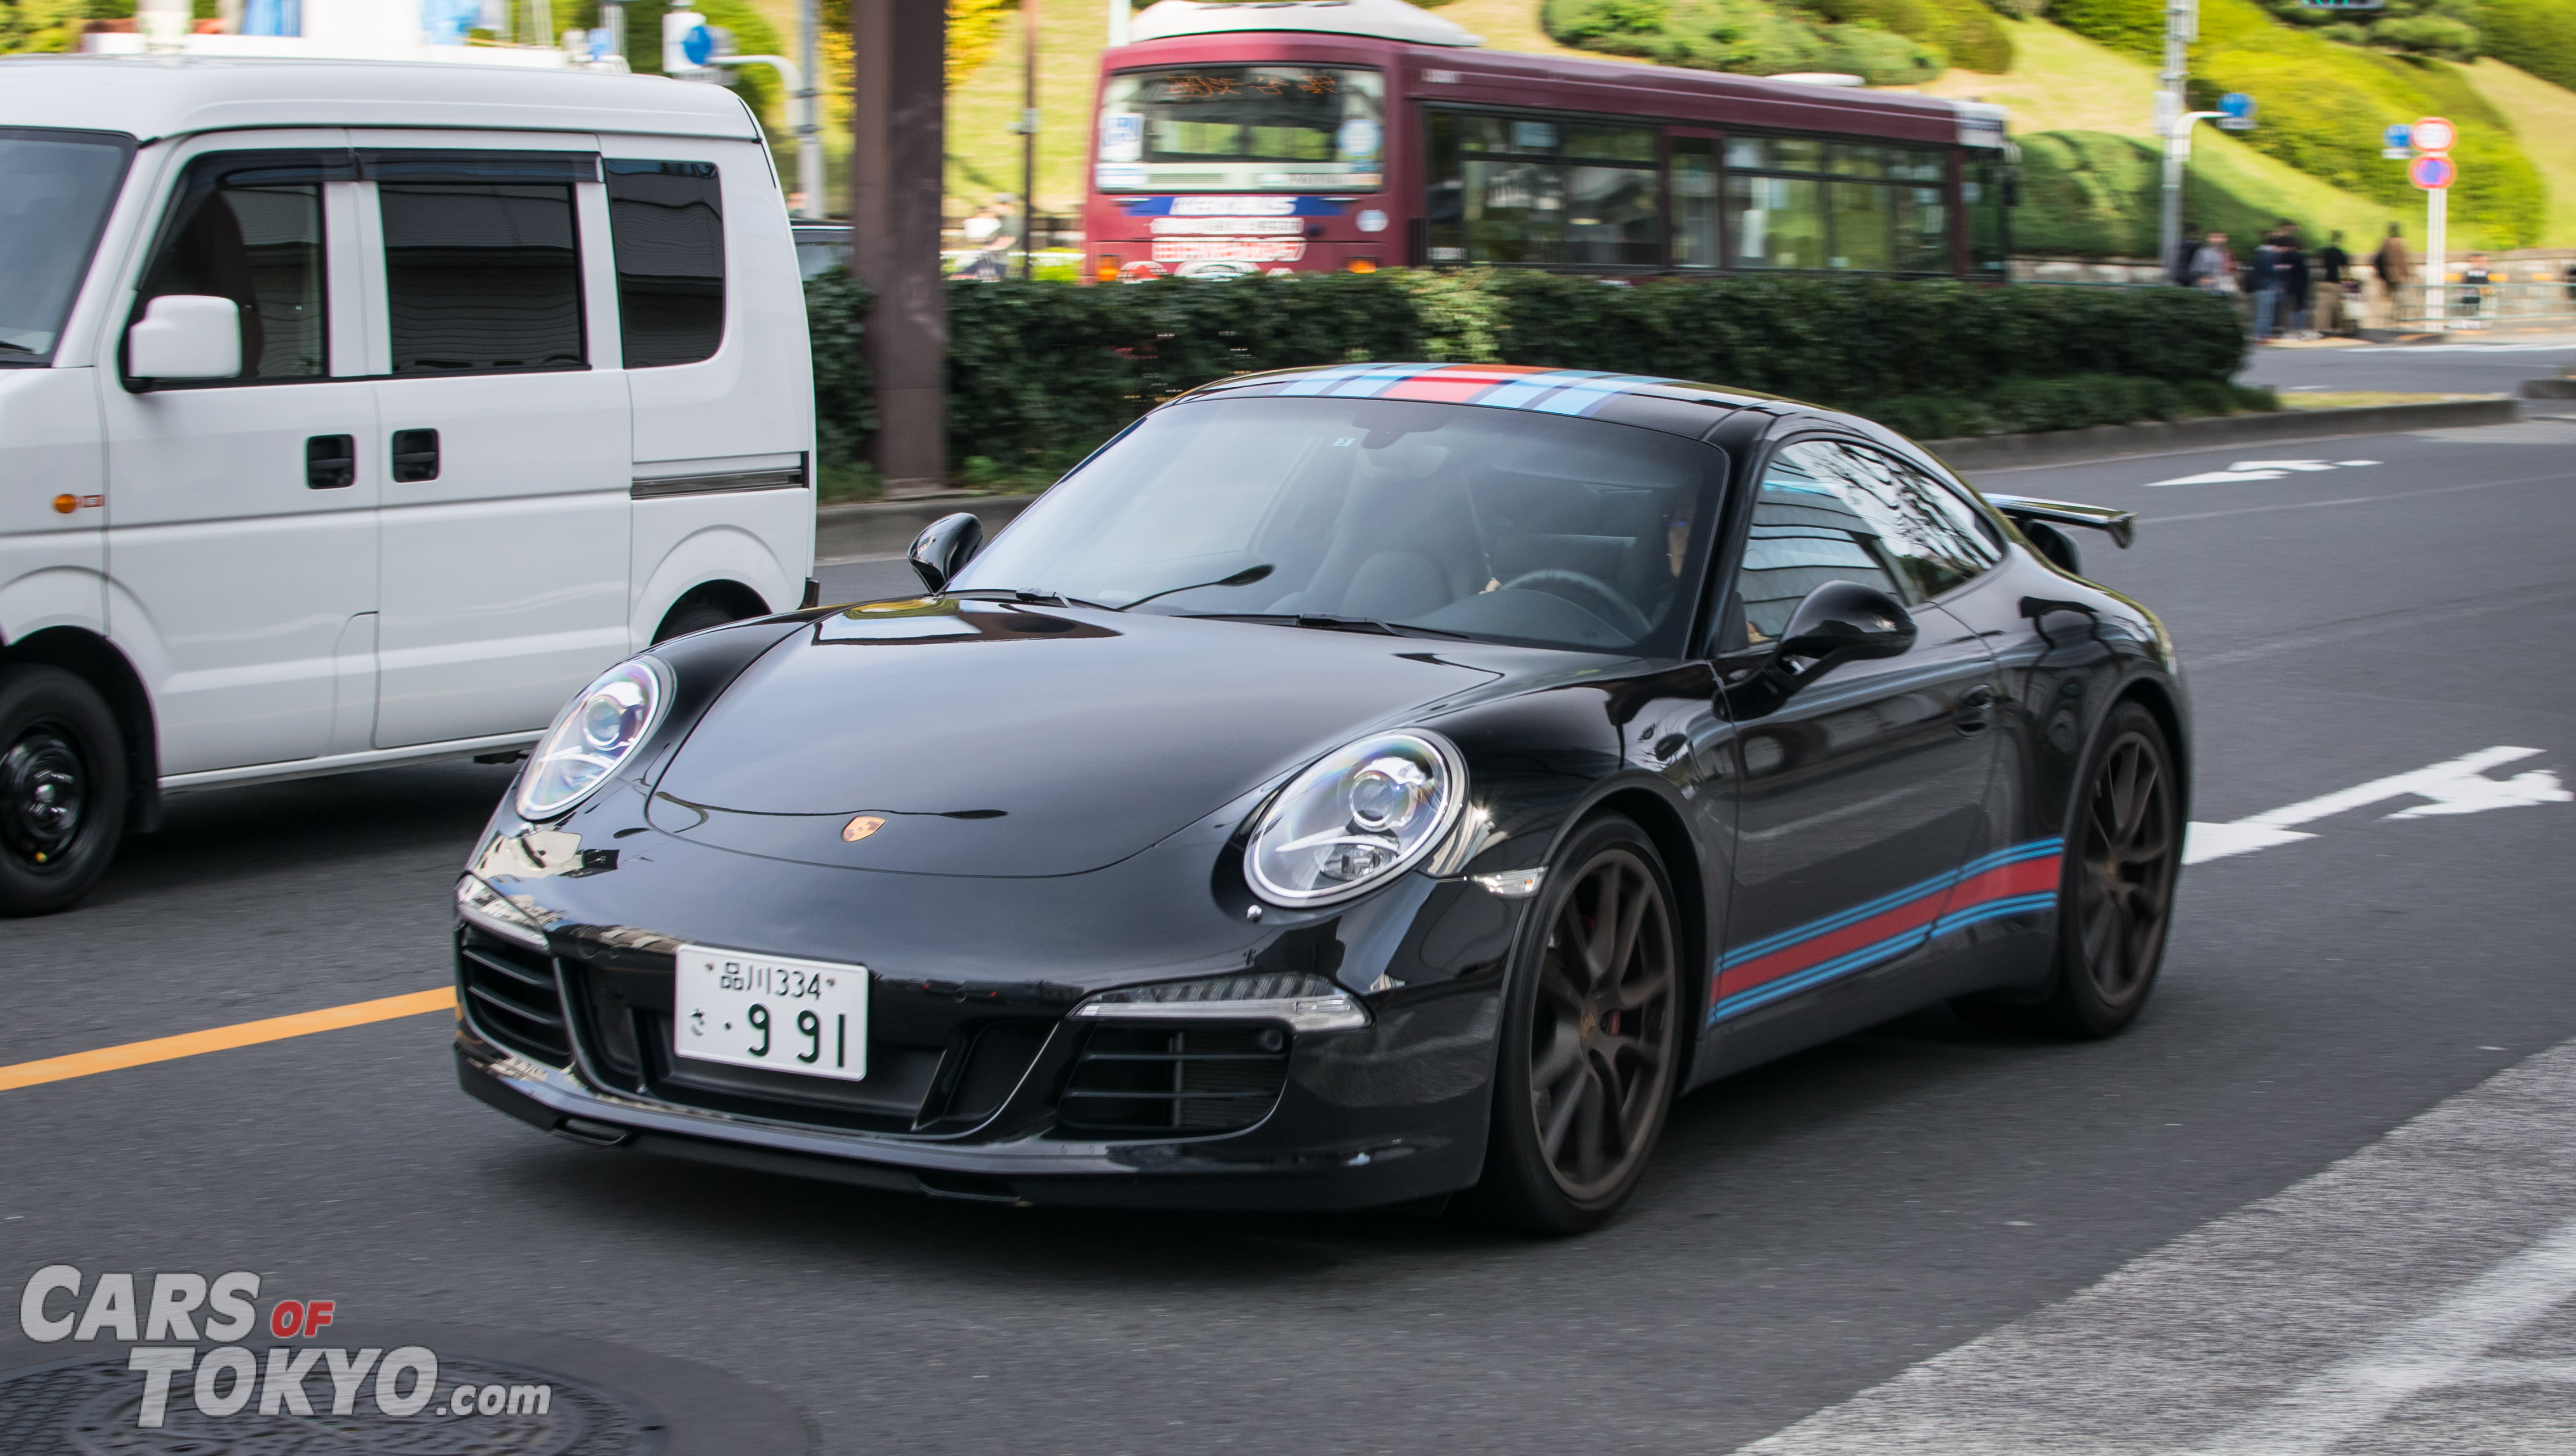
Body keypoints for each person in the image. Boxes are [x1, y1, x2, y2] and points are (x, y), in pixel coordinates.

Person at [2248, 231, 2284, 341]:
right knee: (2265, 314)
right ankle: (2261, 335)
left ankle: (2261, 335)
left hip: (2261, 287)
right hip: (2266, 287)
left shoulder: (2260, 254)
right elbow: (2269, 271)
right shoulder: (2269, 256)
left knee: (2263, 313)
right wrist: (2279, 269)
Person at [2276, 226, 2312, 339]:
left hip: (2288, 284)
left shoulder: (2284, 256)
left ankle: (2288, 329)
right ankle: (2298, 329)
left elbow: (2282, 270)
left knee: (2287, 307)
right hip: (2300, 285)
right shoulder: (2301, 257)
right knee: (2299, 307)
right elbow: (2305, 273)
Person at [2373, 222, 2412, 326]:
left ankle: (2387, 318)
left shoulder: (2385, 243)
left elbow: (2378, 258)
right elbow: (2403, 259)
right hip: (2398, 275)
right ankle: (2396, 318)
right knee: (2398, 298)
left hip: (2387, 275)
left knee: (2387, 298)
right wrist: (2407, 274)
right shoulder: (2400, 243)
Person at [2314, 230, 2349, 335]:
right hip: (2335, 283)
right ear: (2340, 240)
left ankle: (2320, 327)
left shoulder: (2325, 252)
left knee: (2323, 308)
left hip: (2324, 282)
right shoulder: (2340, 253)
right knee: (2338, 307)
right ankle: (2341, 328)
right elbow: (2345, 269)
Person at [2188, 230, 2237, 294]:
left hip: (2225, 287)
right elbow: (2196, 272)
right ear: (2209, 239)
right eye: (2214, 237)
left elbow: (2231, 271)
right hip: (2208, 288)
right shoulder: (2203, 253)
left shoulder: (2227, 253)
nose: (2217, 240)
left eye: (2220, 237)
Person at [2459, 251, 2493, 329]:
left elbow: (2490, 282)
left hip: (2481, 292)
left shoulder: (2487, 271)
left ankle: (2475, 320)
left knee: (2478, 305)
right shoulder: (2469, 271)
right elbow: (2464, 281)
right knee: (2467, 304)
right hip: (2470, 292)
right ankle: (2468, 320)